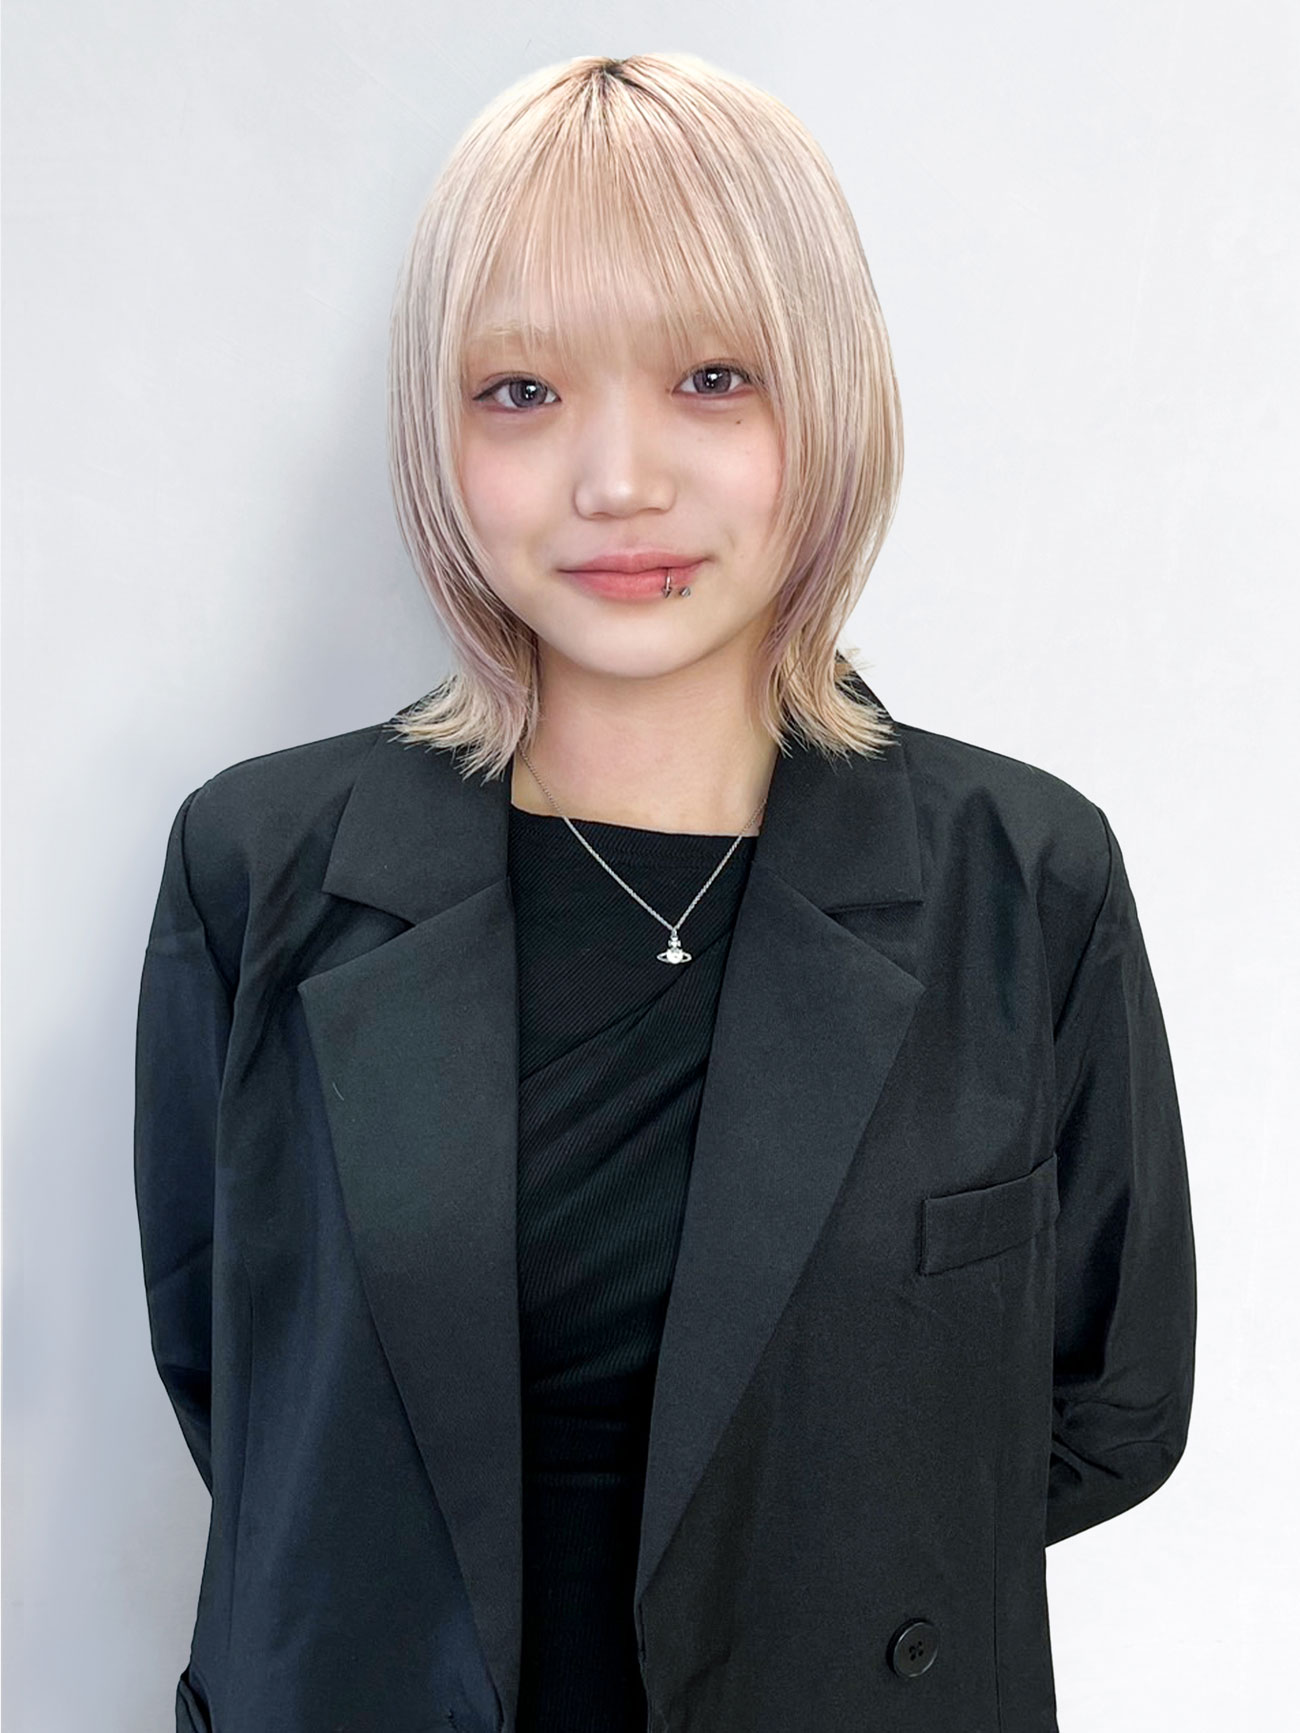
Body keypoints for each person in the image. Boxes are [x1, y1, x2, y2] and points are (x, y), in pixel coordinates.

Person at [133, 52, 1196, 1733]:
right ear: (436, 429)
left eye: (711, 377)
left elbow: (1107, 1400)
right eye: (521, 390)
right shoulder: (260, 863)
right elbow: (250, 1395)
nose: (617, 479)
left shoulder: (1022, 875)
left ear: (826, 397)